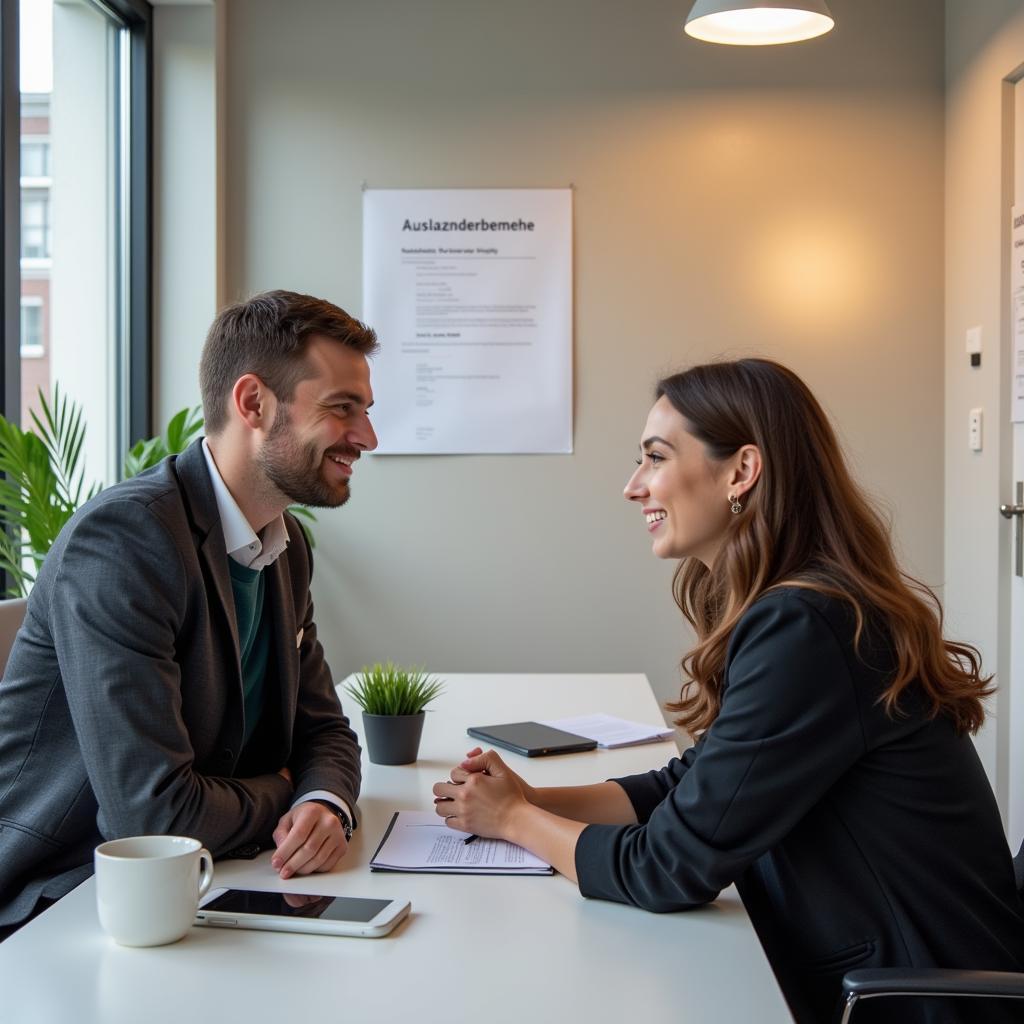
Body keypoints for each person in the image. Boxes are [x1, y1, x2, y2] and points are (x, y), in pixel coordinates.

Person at [433, 358, 1024, 1023]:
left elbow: (668, 868)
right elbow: (696, 788)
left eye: (655, 458)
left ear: (741, 471)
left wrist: (514, 821)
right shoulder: (805, 607)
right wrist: (532, 798)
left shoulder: (807, 625)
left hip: (913, 998)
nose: (634, 487)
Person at [0, 290, 376, 937]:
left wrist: (322, 800)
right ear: (253, 402)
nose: (366, 437)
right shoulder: (125, 542)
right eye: (344, 409)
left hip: (209, 884)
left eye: (365, 411)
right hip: (63, 902)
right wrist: (283, 788)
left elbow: (325, 731)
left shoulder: (286, 547)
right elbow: (153, 819)